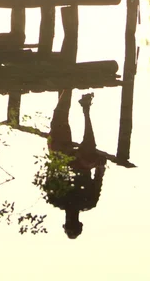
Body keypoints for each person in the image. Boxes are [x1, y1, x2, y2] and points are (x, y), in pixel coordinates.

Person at [45, 90, 107, 239]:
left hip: (71, 160)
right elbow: (98, 176)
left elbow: (99, 175)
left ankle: (72, 95)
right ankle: (78, 102)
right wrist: (99, 164)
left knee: (59, 127)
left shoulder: (59, 200)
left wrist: (99, 164)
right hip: (76, 161)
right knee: (87, 155)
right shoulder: (57, 200)